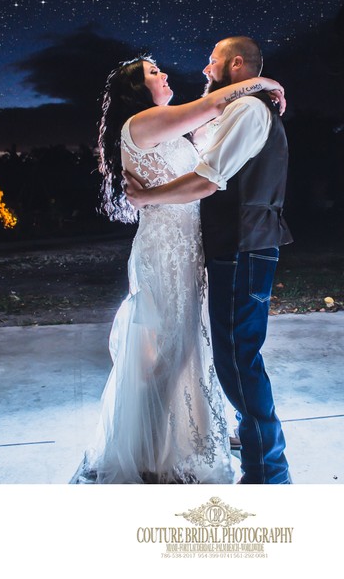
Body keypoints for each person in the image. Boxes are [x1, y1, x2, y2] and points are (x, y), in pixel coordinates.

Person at [70, 55, 285, 484]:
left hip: (186, 249)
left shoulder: (168, 127)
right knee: (166, 350)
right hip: (165, 249)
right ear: (137, 90)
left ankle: (175, 437)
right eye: (153, 72)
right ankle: (148, 450)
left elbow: (214, 121)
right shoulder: (143, 122)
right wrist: (265, 80)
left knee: (182, 346)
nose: (164, 74)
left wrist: (244, 92)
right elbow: (210, 108)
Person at [124, 37, 294, 484]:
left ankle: (268, 471)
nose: (204, 68)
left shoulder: (249, 111)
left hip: (244, 246)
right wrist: (260, 82)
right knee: (232, 354)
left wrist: (147, 196)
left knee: (238, 358)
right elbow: (203, 126)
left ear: (235, 64)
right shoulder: (233, 108)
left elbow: (206, 180)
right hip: (230, 248)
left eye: (213, 62)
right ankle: (254, 442)